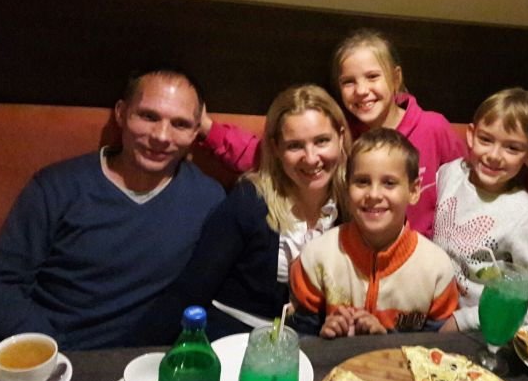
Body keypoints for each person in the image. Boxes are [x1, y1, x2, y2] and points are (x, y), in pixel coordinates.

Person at [0, 67, 225, 350]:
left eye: (180, 124)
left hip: (148, 361)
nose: (162, 136)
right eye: (148, 116)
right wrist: (52, 354)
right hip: (51, 355)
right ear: (121, 113)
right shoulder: (57, 187)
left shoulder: (208, 199)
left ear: (195, 132)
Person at [197, 29, 465, 238]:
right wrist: (208, 129)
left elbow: (467, 185)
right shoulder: (339, 137)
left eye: (372, 77)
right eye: (349, 82)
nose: (362, 90)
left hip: (423, 260)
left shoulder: (433, 128)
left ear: (395, 78)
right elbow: (264, 154)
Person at [133, 84, 351, 342]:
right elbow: (190, 290)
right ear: (276, 148)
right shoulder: (249, 201)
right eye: (295, 146)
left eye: (322, 141)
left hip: (310, 344)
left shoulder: (353, 205)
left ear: (340, 137)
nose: (311, 158)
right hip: (232, 338)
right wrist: (133, 355)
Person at [289, 128, 458, 338]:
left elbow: (437, 347)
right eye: (362, 181)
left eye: (389, 183)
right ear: (347, 187)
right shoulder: (316, 257)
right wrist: (324, 338)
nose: (374, 194)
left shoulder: (436, 269)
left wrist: (382, 341)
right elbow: (298, 339)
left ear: (414, 191)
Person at [432, 88, 528, 333]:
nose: (494, 155)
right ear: (471, 135)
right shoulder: (450, 173)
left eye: (512, 148)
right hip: (429, 308)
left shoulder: (525, 215)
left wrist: (464, 321)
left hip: (475, 331)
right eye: (486, 140)